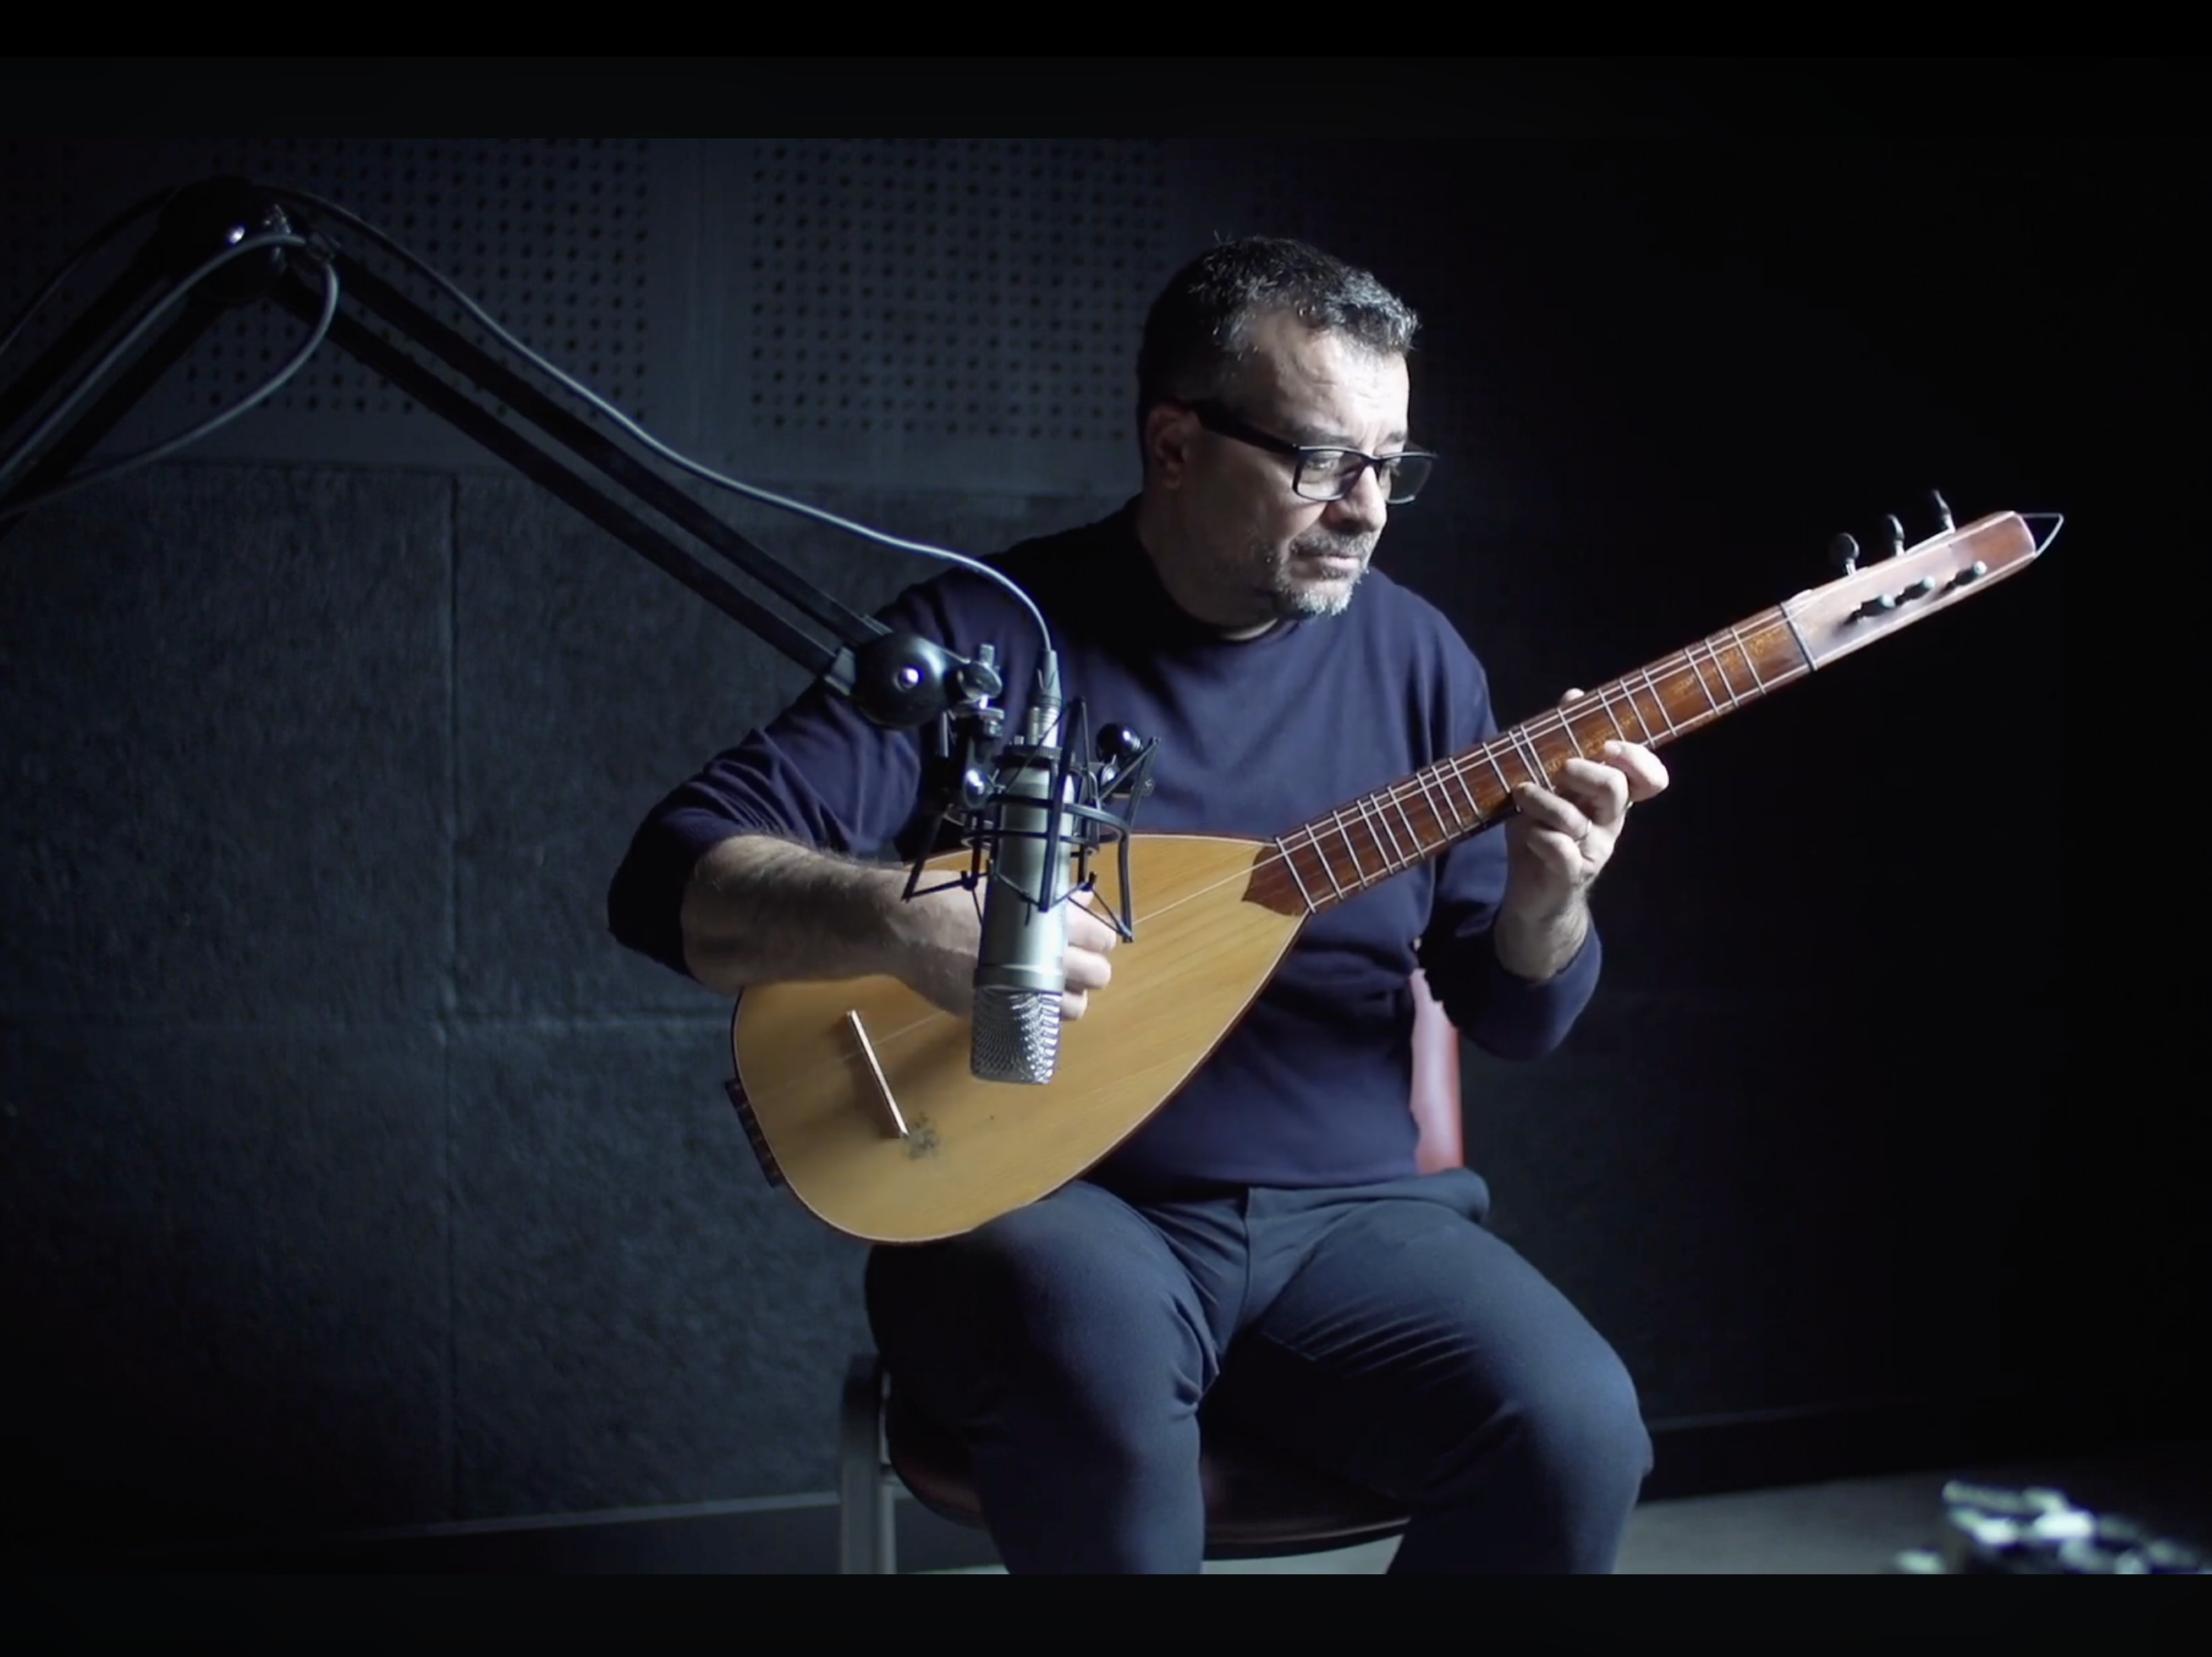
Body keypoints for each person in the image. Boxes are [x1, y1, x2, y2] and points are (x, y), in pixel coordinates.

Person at [607, 236, 1670, 1572]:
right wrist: (895, 920)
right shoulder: (988, 639)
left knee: (1575, 1427)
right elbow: (669, 872)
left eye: (1392, 463)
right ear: (1175, 444)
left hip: (1346, 1226)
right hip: (1043, 1203)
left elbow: (1518, 1016)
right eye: (1323, 461)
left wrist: (1549, 901)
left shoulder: (1418, 659)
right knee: (1094, 1353)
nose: (1368, 508)